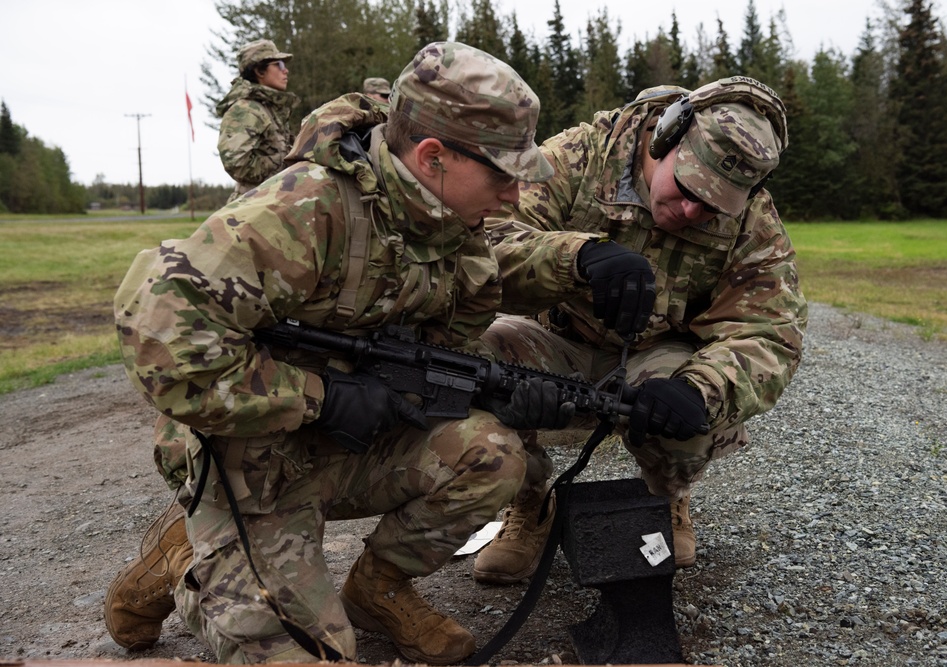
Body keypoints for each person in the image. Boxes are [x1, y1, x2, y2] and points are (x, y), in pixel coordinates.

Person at [103, 41, 653, 664]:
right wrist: (321, 397)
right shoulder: (305, 209)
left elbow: (461, 319)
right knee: (307, 656)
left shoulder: (451, 227)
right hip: (248, 458)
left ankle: (377, 591)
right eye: (504, 174)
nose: (514, 194)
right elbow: (159, 327)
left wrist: (514, 382)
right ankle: (185, 556)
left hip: (348, 441)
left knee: (495, 453)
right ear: (433, 155)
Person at [471, 76, 809, 584]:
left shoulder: (753, 222)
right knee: (476, 360)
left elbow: (769, 331)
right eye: (691, 187)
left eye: (715, 205)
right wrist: (575, 257)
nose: (694, 211)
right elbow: (482, 242)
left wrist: (703, 390)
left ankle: (666, 499)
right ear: (666, 138)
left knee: (694, 413)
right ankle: (530, 500)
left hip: (657, 354)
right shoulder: (579, 155)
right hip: (555, 337)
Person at [216, 38, 298, 203]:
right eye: (279, 65)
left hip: (272, 200)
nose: (285, 71)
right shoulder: (246, 109)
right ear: (259, 71)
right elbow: (236, 162)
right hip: (253, 205)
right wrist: (282, 164)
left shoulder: (269, 109)